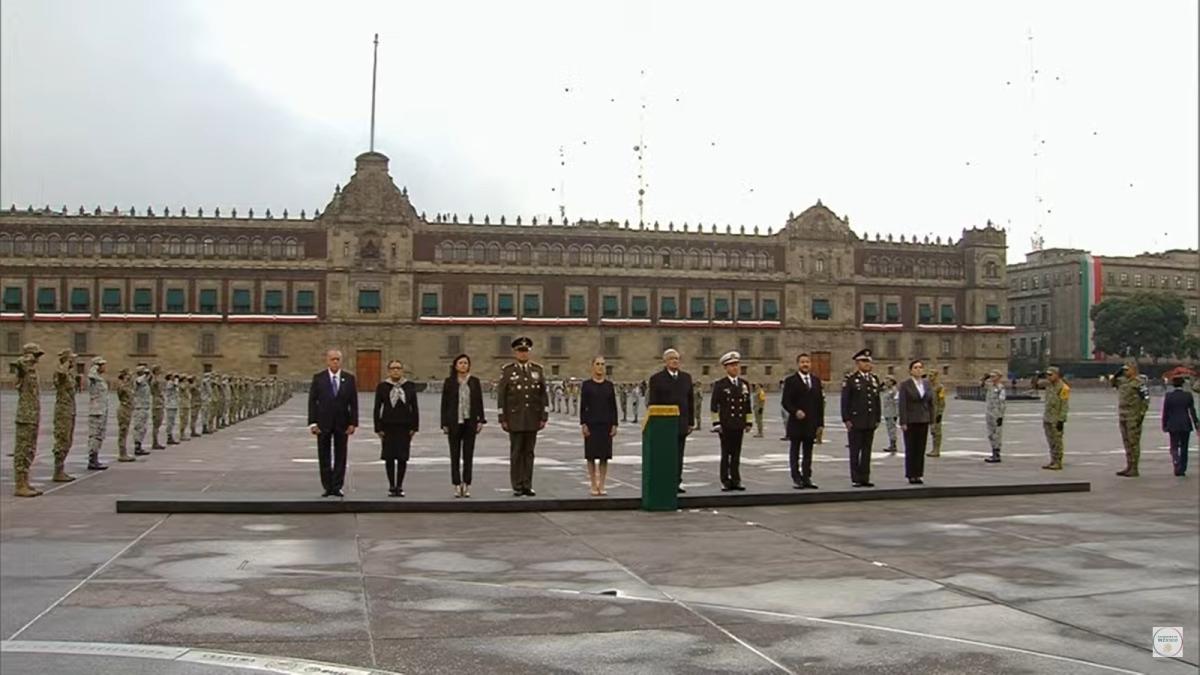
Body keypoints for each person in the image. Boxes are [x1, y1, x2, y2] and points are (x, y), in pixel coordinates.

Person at [497, 337, 548, 497]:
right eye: (520, 351)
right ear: (515, 352)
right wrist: (502, 418)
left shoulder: (537, 370)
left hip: (532, 418)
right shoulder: (508, 371)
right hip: (515, 418)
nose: (523, 354)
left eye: (525, 351)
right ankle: (517, 485)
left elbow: (543, 395)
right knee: (516, 451)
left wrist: (544, 416)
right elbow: (502, 396)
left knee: (529, 452)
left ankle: (528, 484)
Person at [307, 348, 359, 497]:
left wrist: (353, 423)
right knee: (324, 455)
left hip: (342, 423)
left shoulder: (349, 379)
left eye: (338, 359)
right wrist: (313, 423)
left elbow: (353, 403)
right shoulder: (319, 378)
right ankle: (327, 486)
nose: (335, 362)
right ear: (327, 360)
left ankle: (337, 486)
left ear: (341, 361)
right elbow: (312, 401)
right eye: (332, 359)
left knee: (341, 455)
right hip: (323, 423)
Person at [648, 348, 695, 493]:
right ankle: (664, 481)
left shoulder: (686, 378)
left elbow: (690, 401)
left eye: (677, 358)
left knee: (679, 455)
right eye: (672, 358)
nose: (675, 361)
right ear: (665, 361)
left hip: (681, 423)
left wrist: (691, 422)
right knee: (665, 455)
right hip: (664, 424)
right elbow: (653, 403)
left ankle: (676, 482)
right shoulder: (657, 379)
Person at [441, 353, 486, 497]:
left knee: (468, 454)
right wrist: (444, 423)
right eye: (460, 363)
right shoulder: (449, 382)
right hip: (454, 422)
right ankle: (456, 484)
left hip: (470, 422)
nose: (463, 365)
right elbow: (445, 404)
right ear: (455, 366)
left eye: (466, 363)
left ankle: (466, 484)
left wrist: (481, 420)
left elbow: (479, 402)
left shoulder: (474, 382)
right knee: (454, 455)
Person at [373, 360, 419, 497]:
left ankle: (400, 485)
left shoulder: (409, 386)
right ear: (388, 371)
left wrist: (414, 427)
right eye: (393, 368)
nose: (396, 371)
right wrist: (378, 428)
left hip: (404, 426)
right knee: (389, 457)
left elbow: (414, 407)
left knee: (402, 457)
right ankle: (391, 485)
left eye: (398, 368)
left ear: (402, 370)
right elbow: (377, 408)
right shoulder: (382, 387)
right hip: (388, 426)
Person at [711, 351, 752, 491]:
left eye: (737, 365)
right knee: (726, 453)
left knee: (736, 454)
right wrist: (716, 423)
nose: (735, 368)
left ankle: (736, 479)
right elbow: (714, 405)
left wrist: (748, 422)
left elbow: (747, 404)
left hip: (738, 424)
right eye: (732, 366)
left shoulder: (744, 384)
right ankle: (725, 479)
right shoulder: (720, 385)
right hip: (726, 424)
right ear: (726, 368)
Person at [782, 352, 823, 489]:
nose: (805, 364)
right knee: (795, 451)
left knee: (808, 452)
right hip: (796, 423)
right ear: (798, 364)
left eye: (807, 362)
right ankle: (796, 477)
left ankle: (807, 477)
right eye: (802, 362)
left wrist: (820, 424)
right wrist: (795, 411)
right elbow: (785, 401)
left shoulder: (816, 381)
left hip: (811, 424)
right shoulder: (791, 381)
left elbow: (819, 404)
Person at [840, 348, 880, 487]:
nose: (868, 364)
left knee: (867, 450)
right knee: (855, 450)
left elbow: (876, 400)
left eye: (869, 361)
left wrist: (877, 418)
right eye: (864, 361)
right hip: (856, 421)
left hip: (869, 421)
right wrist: (846, 419)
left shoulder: (874, 379)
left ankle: (865, 477)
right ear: (858, 363)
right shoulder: (851, 380)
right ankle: (856, 477)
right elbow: (845, 401)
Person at [580, 355, 618, 496]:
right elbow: (583, 406)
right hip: (591, 424)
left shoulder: (609, 385)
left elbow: (613, 406)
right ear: (593, 366)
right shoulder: (587, 385)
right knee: (591, 456)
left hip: (606, 424)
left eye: (602, 364)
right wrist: (583, 424)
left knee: (604, 456)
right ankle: (592, 484)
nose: (600, 366)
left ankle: (602, 484)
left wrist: (614, 424)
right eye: (597, 364)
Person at [11, 343, 44, 497]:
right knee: (22, 451)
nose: (37, 359)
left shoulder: (33, 372)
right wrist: (27, 357)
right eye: (35, 355)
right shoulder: (23, 369)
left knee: (30, 450)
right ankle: (19, 484)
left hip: (33, 415)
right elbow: (19, 363)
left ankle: (25, 481)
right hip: (25, 416)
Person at [898, 359, 933, 484]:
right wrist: (903, 421)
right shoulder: (905, 384)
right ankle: (911, 474)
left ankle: (919, 474)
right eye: (915, 368)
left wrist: (932, 419)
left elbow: (931, 403)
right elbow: (902, 404)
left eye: (920, 367)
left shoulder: (926, 384)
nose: (918, 370)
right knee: (911, 448)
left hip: (923, 419)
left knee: (920, 448)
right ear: (910, 371)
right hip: (911, 420)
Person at [1112, 360, 1150, 477]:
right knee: (1127, 442)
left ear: (1134, 370)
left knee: (1133, 442)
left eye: (1127, 370)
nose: (1125, 372)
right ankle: (1129, 466)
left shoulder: (1139, 383)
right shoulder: (1122, 381)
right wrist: (1118, 373)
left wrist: (1141, 415)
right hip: (1123, 415)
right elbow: (1112, 382)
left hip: (1134, 416)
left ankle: (1134, 468)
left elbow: (1146, 399)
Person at [52, 348, 78, 483]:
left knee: (68, 440)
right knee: (62, 439)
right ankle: (58, 471)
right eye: (71, 359)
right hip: (63, 410)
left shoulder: (69, 374)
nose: (74, 361)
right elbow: (61, 372)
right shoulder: (60, 372)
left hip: (70, 409)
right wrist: (66, 362)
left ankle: (61, 470)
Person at [1163, 376, 1198, 477]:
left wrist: (1164, 424)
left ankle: (1176, 462)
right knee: (1184, 447)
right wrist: (1196, 424)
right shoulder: (1188, 395)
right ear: (1183, 384)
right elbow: (1192, 411)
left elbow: (1165, 412)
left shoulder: (1169, 396)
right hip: (1185, 424)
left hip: (1172, 423)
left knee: (1174, 446)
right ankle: (1182, 468)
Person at [1042, 366, 1069, 470]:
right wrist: (1036, 377)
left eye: (1050, 375)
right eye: (1047, 375)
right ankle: (1053, 460)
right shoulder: (1049, 385)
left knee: (1057, 441)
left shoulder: (1064, 387)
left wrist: (1061, 420)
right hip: (1048, 417)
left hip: (1056, 418)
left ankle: (1058, 462)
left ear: (1057, 375)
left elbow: (1064, 405)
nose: (1048, 377)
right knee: (1051, 440)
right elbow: (1035, 385)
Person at [86, 356, 109, 471]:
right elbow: (90, 374)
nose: (105, 366)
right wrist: (94, 366)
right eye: (102, 365)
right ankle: (92, 459)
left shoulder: (100, 378)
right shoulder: (94, 377)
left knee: (100, 435)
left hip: (102, 410)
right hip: (96, 411)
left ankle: (95, 457)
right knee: (94, 435)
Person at [984, 370, 1006, 463]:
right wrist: (985, 377)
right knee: (990, 434)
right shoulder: (990, 387)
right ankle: (993, 451)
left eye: (994, 376)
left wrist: (1000, 416)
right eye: (991, 376)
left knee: (997, 434)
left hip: (997, 414)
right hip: (989, 413)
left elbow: (1002, 402)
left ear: (999, 377)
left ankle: (997, 453)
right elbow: (981, 384)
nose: (992, 378)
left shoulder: (1000, 388)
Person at [132, 364, 152, 456]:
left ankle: (139, 445)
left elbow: (150, 377)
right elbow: (139, 380)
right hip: (139, 407)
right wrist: (144, 374)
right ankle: (137, 446)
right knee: (139, 427)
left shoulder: (145, 382)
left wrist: (147, 374)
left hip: (145, 407)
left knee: (143, 428)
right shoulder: (138, 380)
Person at [116, 368, 135, 462]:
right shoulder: (122, 385)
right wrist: (125, 382)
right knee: (123, 431)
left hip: (128, 409)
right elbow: (120, 392)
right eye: (129, 375)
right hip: (123, 410)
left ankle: (124, 452)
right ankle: (122, 453)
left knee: (125, 431)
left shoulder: (129, 386)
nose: (131, 377)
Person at [927, 370, 946, 457]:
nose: (930, 378)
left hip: (936, 411)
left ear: (936, 376)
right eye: (929, 376)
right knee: (933, 431)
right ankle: (933, 448)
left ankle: (936, 449)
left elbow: (942, 401)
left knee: (937, 431)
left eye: (931, 376)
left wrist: (940, 413)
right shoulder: (928, 387)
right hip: (929, 412)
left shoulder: (940, 387)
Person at [880, 377, 899, 453]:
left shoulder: (894, 391)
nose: (886, 382)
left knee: (892, 429)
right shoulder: (887, 390)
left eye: (888, 381)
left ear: (892, 382)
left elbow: (897, 402)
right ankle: (891, 443)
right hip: (887, 412)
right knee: (889, 429)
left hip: (892, 413)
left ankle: (893, 444)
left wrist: (897, 413)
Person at [150, 364, 166, 449]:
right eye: (159, 370)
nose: (161, 371)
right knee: (156, 424)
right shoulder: (154, 380)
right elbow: (154, 389)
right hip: (157, 404)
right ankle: (155, 442)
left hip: (159, 403)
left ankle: (156, 442)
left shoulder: (157, 380)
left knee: (158, 424)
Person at [164, 373, 180, 445]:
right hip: (170, 405)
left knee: (172, 421)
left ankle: (170, 436)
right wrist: (176, 379)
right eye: (172, 376)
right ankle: (169, 436)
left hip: (173, 404)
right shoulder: (170, 383)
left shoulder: (172, 383)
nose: (174, 377)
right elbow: (175, 385)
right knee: (170, 421)